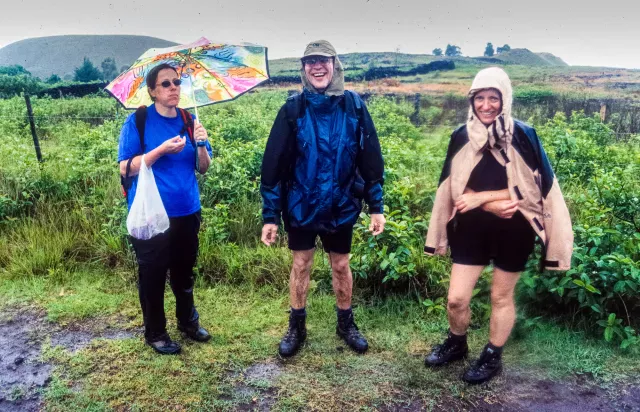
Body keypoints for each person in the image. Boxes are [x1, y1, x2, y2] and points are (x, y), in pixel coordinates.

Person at [423, 67, 573, 384]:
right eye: (480, 98)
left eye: (494, 98)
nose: (487, 105)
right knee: (456, 299)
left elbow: (536, 188)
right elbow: (451, 188)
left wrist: (482, 197)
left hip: (514, 231)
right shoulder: (461, 137)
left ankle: (492, 356)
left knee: (500, 298)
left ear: (505, 99)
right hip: (471, 230)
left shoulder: (523, 135)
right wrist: (486, 203)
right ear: (472, 99)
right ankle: (457, 342)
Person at [260, 40, 386, 357]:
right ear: (303, 69)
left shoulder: (354, 106)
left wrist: (376, 206)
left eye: (323, 60)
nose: (317, 67)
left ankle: (346, 324)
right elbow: (273, 165)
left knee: (341, 265)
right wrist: (270, 215)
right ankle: (296, 327)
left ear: (335, 65)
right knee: (301, 264)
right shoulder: (293, 109)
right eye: (310, 61)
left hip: (342, 202)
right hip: (301, 204)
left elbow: (370, 158)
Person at [118, 63, 213, 355]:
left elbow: (204, 168)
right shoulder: (139, 121)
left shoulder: (189, 119)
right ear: (152, 91)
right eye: (166, 84)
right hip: (152, 213)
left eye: (177, 82)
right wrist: (159, 151)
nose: (174, 88)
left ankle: (188, 322)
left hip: (187, 210)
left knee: (184, 272)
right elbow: (125, 168)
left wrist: (199, 144)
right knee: (154, 273)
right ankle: (156, 333)